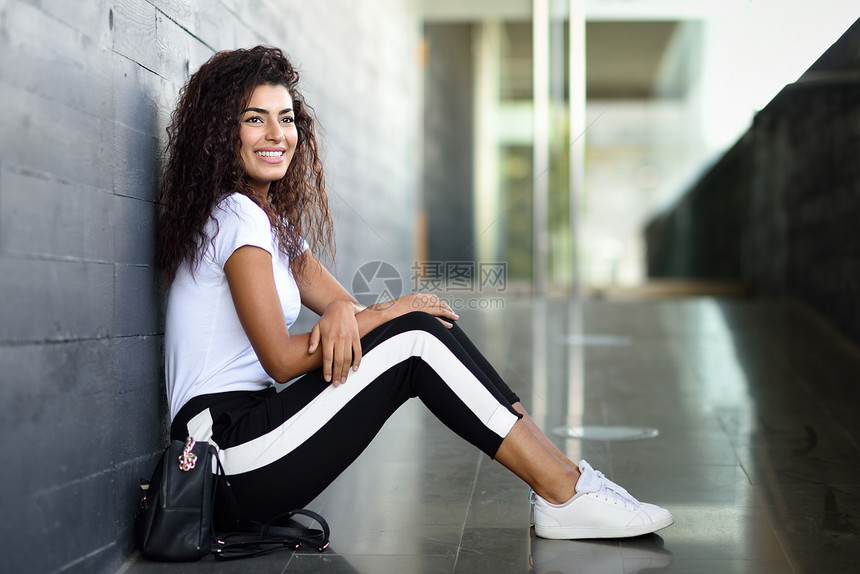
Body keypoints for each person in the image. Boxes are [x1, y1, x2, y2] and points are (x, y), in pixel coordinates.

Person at [156, 45, 673, 541]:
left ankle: (566, 480)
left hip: (253, 442)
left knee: (425, 330)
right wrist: (388, 309)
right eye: (255, 118)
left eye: (286, 118)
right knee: (417, 336)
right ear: (222, 132)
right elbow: (283, 359)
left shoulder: (274, 225)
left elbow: (347, 309)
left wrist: (345, 312)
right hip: (220, 455)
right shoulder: (236, 216)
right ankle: (563, 491)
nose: (277, 134)